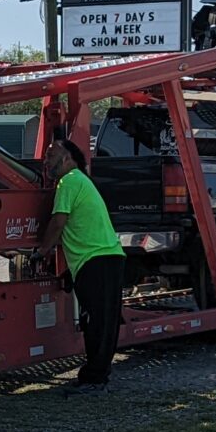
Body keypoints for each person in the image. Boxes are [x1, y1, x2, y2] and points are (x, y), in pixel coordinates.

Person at [37, 135, 127, 385]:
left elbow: (58, 222)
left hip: (97, 261)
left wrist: (41, 251)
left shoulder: (68, 182)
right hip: (106, 259)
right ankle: (98, 375)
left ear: (67, 159)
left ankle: (94, 379)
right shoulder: (81, 181)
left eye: (51, 155)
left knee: (95, 322)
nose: (46, 160)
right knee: (102, 321)